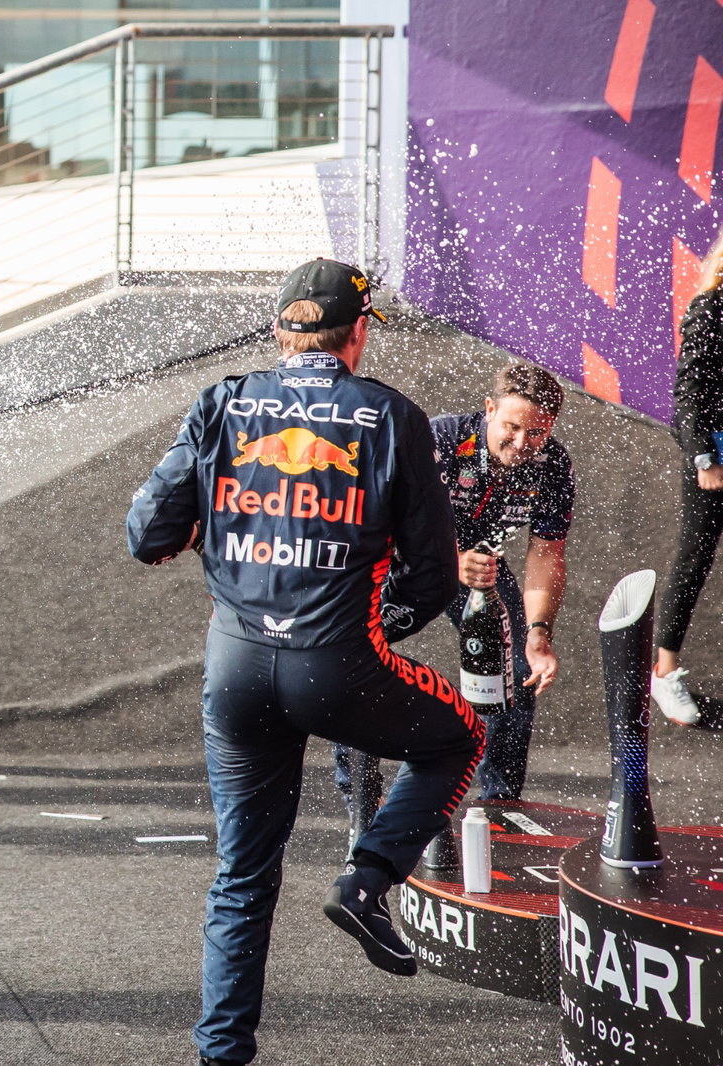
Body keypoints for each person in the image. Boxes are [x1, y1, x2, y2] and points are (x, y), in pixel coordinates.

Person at [126, 259, 485, 1066]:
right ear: (357, 334)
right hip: (337, 665)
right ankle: (365, 882)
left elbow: (145, 534)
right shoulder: (392, 416)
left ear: (278, 330)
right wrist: (369, 632)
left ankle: (220, 1053)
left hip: (234, 668)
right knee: (458, 738)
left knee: (242, 875)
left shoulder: (223, 401)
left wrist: (214, 540)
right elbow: (431, 577)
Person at [336, 362, 572, 817]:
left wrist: (539, 633)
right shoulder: (439, 439)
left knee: (517, 665)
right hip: (401, 561)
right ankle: (362, 798)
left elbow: (546, 554)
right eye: (512, 427)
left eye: (537, 433)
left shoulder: (554, 466)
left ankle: (500, 806)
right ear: (489, 410)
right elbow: (376, 517)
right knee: (354, 658)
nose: (522, 444)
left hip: (479, 569)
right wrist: (446, 556)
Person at [652, 226, 723, 726]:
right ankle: (664, 670)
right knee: (694, 557)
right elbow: (689, 397)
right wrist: (705, 460)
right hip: (713, 460)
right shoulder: (709, 309)